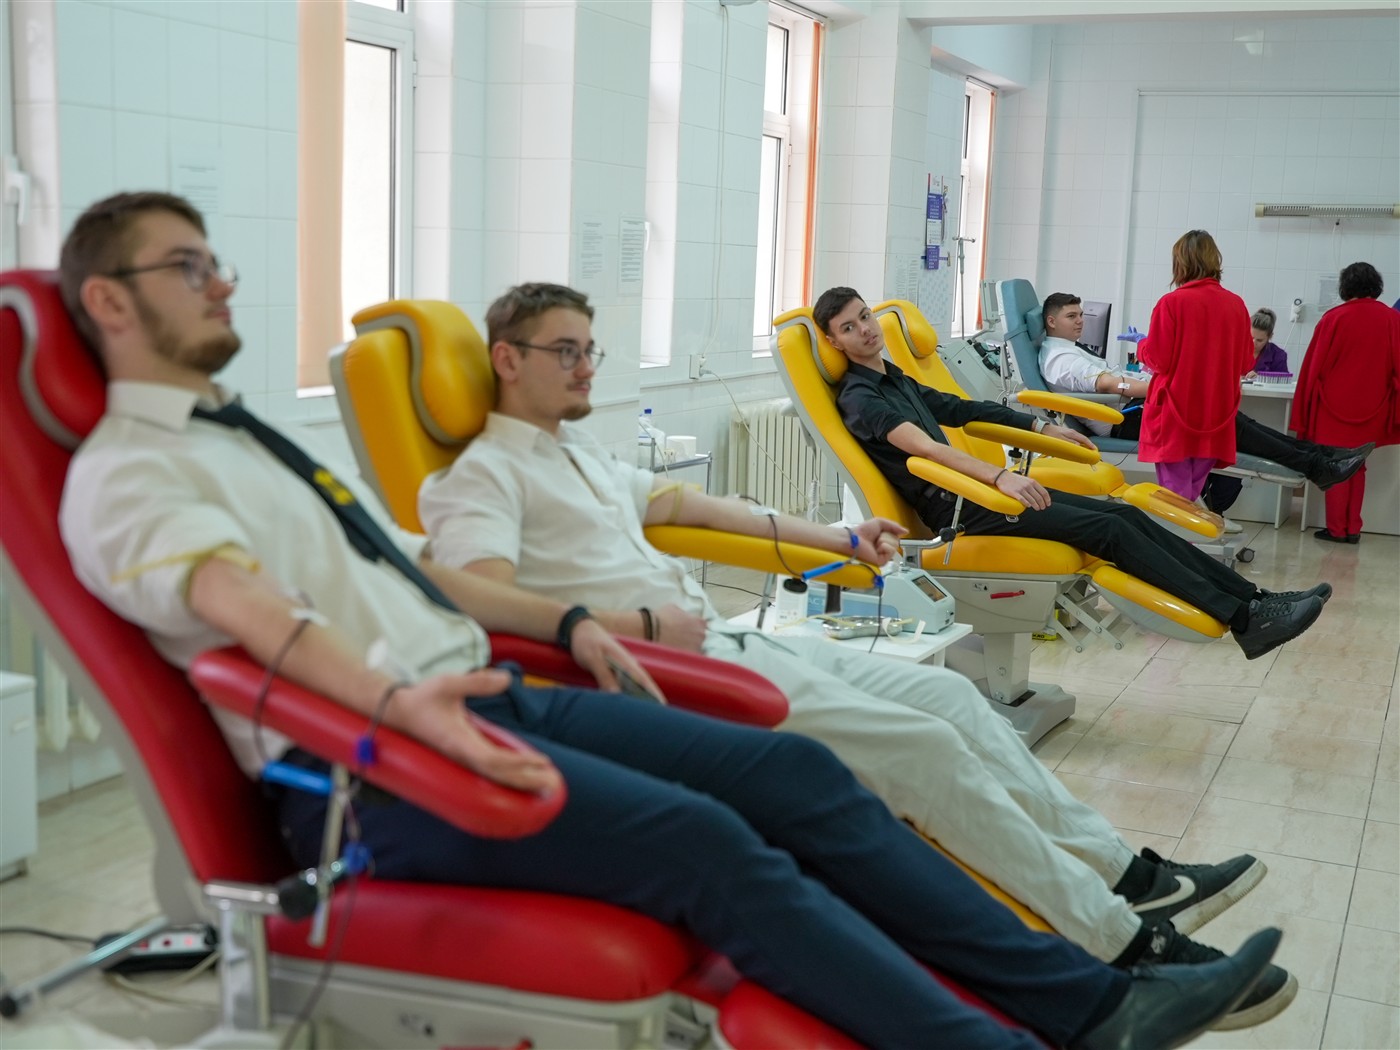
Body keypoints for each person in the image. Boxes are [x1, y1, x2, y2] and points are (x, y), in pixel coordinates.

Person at [52, 191, 1287, 1050]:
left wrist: (577, 619)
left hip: (499, 688)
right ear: (107, 301)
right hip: (387, 756)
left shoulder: (229, 441)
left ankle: (1090, 995)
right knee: (714, 843)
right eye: (188, 267)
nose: (224, 280)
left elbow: (433, 568)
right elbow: (247, 611)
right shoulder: (133, 473)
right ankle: (1049, 1018)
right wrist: (419, 692)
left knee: (812, 778)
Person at [416, 282, 1294, 1028]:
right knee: (926, 748)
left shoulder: (575, 453)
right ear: (506, 359)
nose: (584, 367)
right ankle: (1124, 943)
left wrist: (836, 535)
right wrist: (618, 623)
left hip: (724, 642)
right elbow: (472, 593)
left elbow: (687, 507)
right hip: (669, 674)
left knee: (953, 702)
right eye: (564, 351)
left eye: (591, 351)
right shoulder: (478, 476)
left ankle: (1130, 877)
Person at [819, 285, 1329, 662]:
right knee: (1111, 530)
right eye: (849, 327)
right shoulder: (861, 399)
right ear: (834, 341)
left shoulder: (894, 378)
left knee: (1123, 516)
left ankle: (1255, 602)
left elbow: (962, 409)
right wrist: (999, 478)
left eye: (864, 316)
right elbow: (927, 450)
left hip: (977, 494)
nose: (865, 329)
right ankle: (1244, 619)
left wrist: (1040, 425)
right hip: (963, 508)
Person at [1038, 293, 1369, 503]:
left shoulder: (1071, 350)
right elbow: (1110, 385)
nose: (1080, 321)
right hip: (1125, 420)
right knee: (1235, 426)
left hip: (1137, 408)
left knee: (1239, 423)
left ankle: (1321, 457)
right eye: (1071, 316)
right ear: (1051, 321)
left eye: (1081, 314)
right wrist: (1170, 386)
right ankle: (1318, 463)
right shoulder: (1060, 359)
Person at [1117, 231, 1254, 500]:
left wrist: (1142, 343)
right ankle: (1189, 528)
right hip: (1215, 414)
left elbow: (1158, 359)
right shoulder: (1236, 305)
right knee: (1189, 494)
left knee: (1175, 497)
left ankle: (1179, 530)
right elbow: (1245, 363)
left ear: (1180, 263)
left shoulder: (1171, 303)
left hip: (1175, 413)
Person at [1290, 262, 1400, 544]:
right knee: (1358, 465)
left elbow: (1314, 367)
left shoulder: (1333, 318)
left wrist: (1305, 409)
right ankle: (1353, 528)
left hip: (1333, 406)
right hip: (1375, 406)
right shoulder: (1392, 319)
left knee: (1337, 465)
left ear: (1345, 287)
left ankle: (1338, 529)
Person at [1247, 307, 1289, 377]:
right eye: (1251, 338)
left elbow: (1283, 381)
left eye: (1259, 340)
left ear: (1269, 336)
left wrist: (1261, 378)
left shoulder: (1278, 356)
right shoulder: (1235, 350)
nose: (1253, 343)